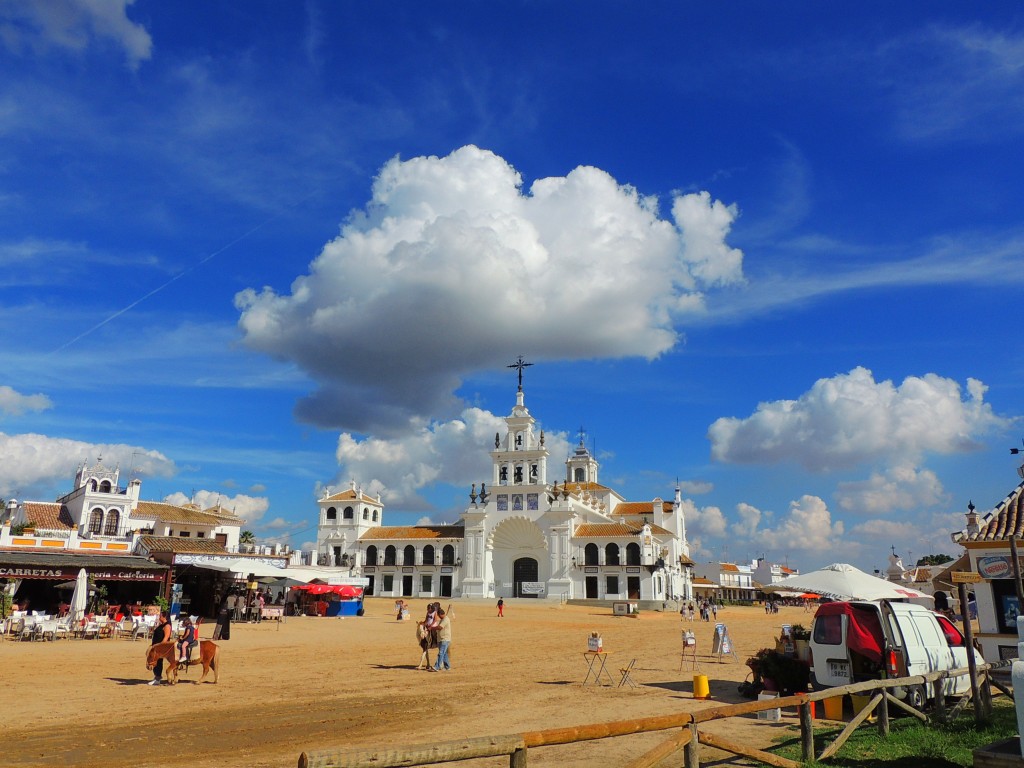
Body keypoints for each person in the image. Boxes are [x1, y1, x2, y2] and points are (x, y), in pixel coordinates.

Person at [149, 610, 173, 685]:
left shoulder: (167, 626)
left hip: (161, 648)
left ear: (164, 617)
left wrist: (159, 646)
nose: (159, 617)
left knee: (158, 661)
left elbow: (166, 638)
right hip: (156, 646)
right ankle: (156, 676)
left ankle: (158, 678)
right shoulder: (162, 624)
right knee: (154, 660)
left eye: (160, 616)